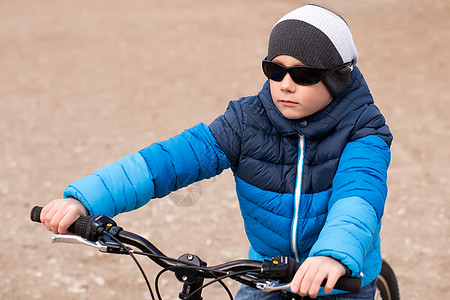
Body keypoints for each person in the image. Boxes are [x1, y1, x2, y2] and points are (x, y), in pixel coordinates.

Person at [39, 4, 393, 299]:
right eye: (275, 69)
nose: (285, 84)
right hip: (268, 271)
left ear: (337, 78)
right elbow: (167, 161)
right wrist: (86, 200)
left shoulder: (363, 130)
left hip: (338, 277)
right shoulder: (245, 122)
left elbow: (358, 198)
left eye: (303, 75)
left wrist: (333, 256)